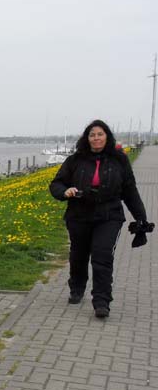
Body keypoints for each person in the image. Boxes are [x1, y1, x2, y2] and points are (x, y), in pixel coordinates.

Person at [49, 119, 150, 318]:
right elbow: (56, 184)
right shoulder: (75, 160)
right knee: (78, 255)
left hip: (109, 215)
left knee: (102, 256)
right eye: (92, 135)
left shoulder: (119, 160)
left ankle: (102, 301)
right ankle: (77, 288)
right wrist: (65, 191)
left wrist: (141, 218)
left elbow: (130, 191)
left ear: (107, 137)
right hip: (79, 215)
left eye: (100, 134)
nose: (96, 138)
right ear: (87, 138)